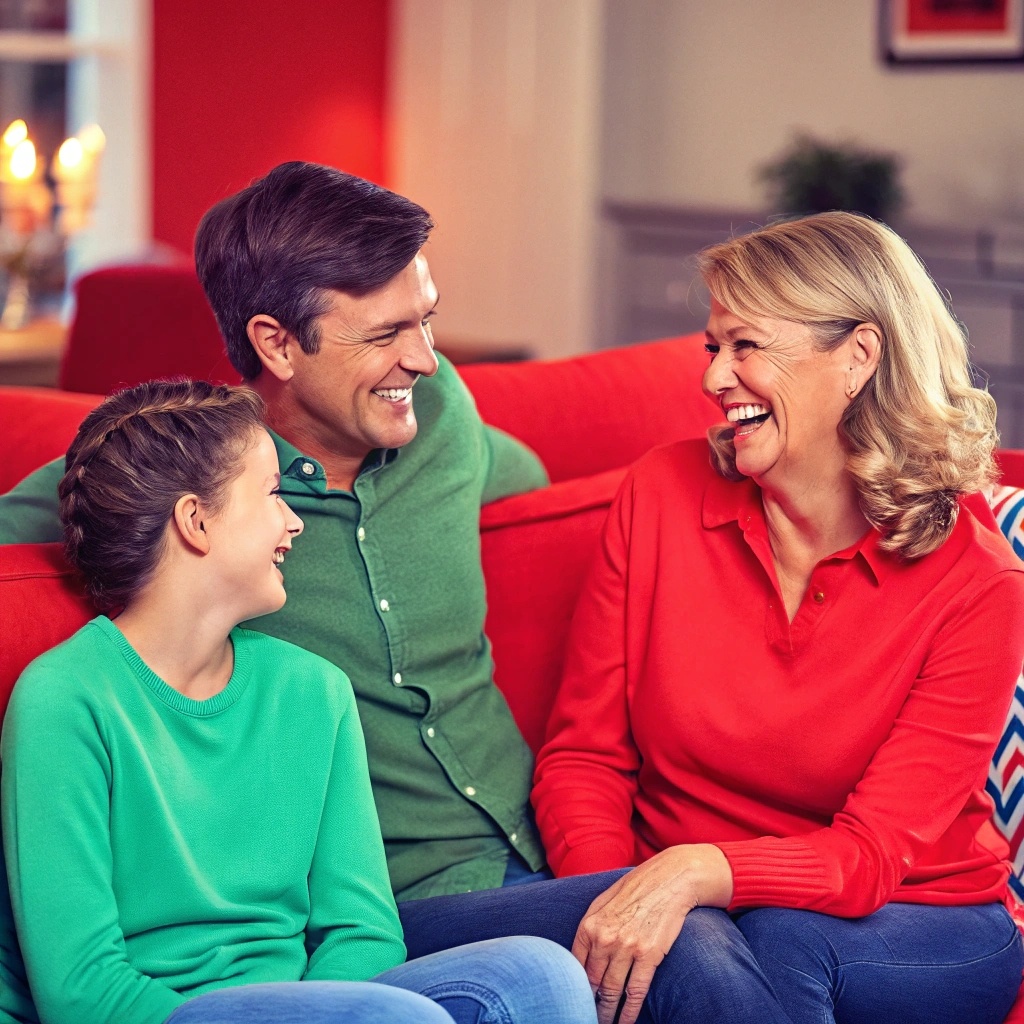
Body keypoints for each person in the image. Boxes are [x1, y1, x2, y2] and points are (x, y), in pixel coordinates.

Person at [0, 161, 551, 903]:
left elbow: (533, 481)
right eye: (386, 333)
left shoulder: (440, 407)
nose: (424, 358)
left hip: (539, 835)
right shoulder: (190, 474)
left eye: (426, 318)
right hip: (393, 899)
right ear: (278, 345)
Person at [522, 211, 1024, 1023]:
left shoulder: (979, 583)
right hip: (697, 914)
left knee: (777, 938)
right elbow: (585, 758)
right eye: (712, 347)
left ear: (859, 356)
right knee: (687, 945)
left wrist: (693, 872)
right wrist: (620, 902)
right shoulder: (660, 494)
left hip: (922, 917)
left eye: (745, 345)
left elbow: (870, 856)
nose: (714, 378)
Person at [0, 379, 597, 1024]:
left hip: (305, 1007)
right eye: (272, 494)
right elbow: (82, 991)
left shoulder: (314, 690)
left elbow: (363, 932)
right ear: (195, 521)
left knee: (541, 973)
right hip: (151, 1015)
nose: (294, 521)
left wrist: (327, 1010)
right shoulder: (65, 700)